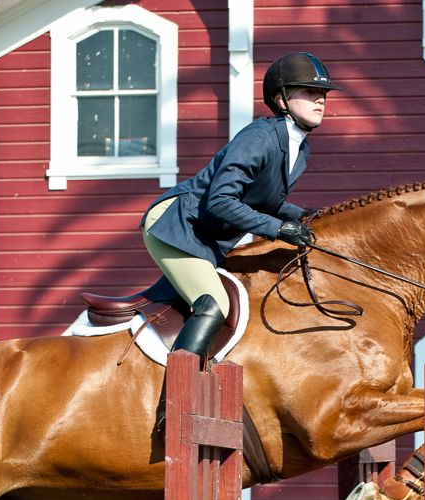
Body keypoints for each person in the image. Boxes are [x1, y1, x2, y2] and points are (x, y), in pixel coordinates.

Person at [141, 51, 338, 360]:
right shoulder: (260, 137)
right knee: (214, 303)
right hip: (175, 224)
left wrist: (302, 216)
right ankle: (174, 404)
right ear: (282, 100)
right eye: (310, 92)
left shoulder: (300, 148)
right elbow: (220, 201)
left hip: (202, 234)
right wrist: (278, 229)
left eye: (323, 94)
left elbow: (265, 202)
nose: (321, 100)